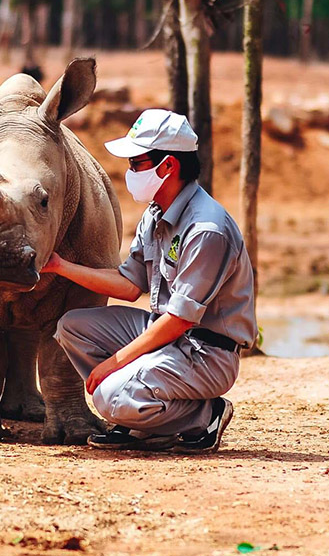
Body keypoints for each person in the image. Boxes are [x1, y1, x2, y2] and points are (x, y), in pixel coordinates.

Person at [44, 109, 256, 452]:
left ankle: (204, 414)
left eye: (136, 163)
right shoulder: (156, 214)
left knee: (108, 396)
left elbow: (181, 319)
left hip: (205, 352)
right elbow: (129, 285)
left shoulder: (206, 230)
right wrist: (58, 266)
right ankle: (141, 420)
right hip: (167, 334)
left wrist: (115, 364)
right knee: (72, 327)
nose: (129, 172)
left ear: (168, 166)